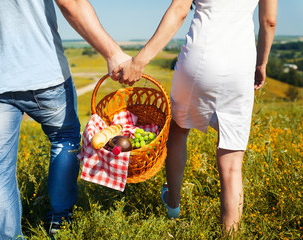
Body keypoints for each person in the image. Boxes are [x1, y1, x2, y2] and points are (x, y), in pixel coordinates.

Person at [0, 0, 130, 239]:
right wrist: (112, 52)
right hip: (43, 72)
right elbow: (72, 3)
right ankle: (59, 220)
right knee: (64, 139)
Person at [112, 0, 277, 233]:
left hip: (199, 59)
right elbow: (269, 22)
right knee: (232, 163)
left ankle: (173, 205)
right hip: (241, 65)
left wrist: (139, 62)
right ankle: (229, 235)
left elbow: (179, 11)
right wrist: (261, 63)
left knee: (179, 130)